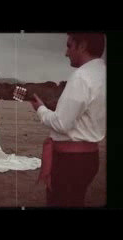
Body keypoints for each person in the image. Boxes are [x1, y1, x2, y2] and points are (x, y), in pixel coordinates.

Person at [29, 33, 106, 207]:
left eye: (69, 45)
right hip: (90, 158)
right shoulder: (103, 74)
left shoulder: (82, 76)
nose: (65, 52)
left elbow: (62, 124)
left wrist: (41, 109)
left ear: (83, 45)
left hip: (70, 162)